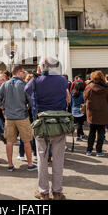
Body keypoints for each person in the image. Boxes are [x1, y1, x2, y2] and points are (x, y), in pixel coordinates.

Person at [24, 58, 70, 200]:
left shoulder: (36, 81)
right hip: (59, 123)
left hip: (41, 123)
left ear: (42, 67)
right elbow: (68, 98)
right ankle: (57, 192)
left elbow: (26, 90)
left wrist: (38, 74)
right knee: (58, 159)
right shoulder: (62, 80)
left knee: (42, 159)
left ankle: (43, 192)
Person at [0, 65, 37, 172]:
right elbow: (31, 100)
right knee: (27, 140)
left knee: (9, 141)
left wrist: (2, 107)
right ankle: (30, 164)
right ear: (18, 72)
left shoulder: (5, 84)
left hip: (9, 117)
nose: (24, 74)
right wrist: (28, 106)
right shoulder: (24, 84)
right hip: (22, 116)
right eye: (23, 72)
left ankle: (10, 164)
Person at [84, 71, 108, 157]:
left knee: (91, 132)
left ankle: (89, 150)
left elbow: (85, 97)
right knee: (101, 133)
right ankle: (99, 151)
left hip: (92, 112)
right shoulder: (106, 88)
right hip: (103, 112)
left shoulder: (89, 86)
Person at [18, 73, 37, 161]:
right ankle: (35, 154)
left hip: (24, 113)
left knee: (24, 135)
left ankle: (21, 154)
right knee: (35, 134)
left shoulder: (24, 88)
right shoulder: (36, 89)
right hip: (34, 112)